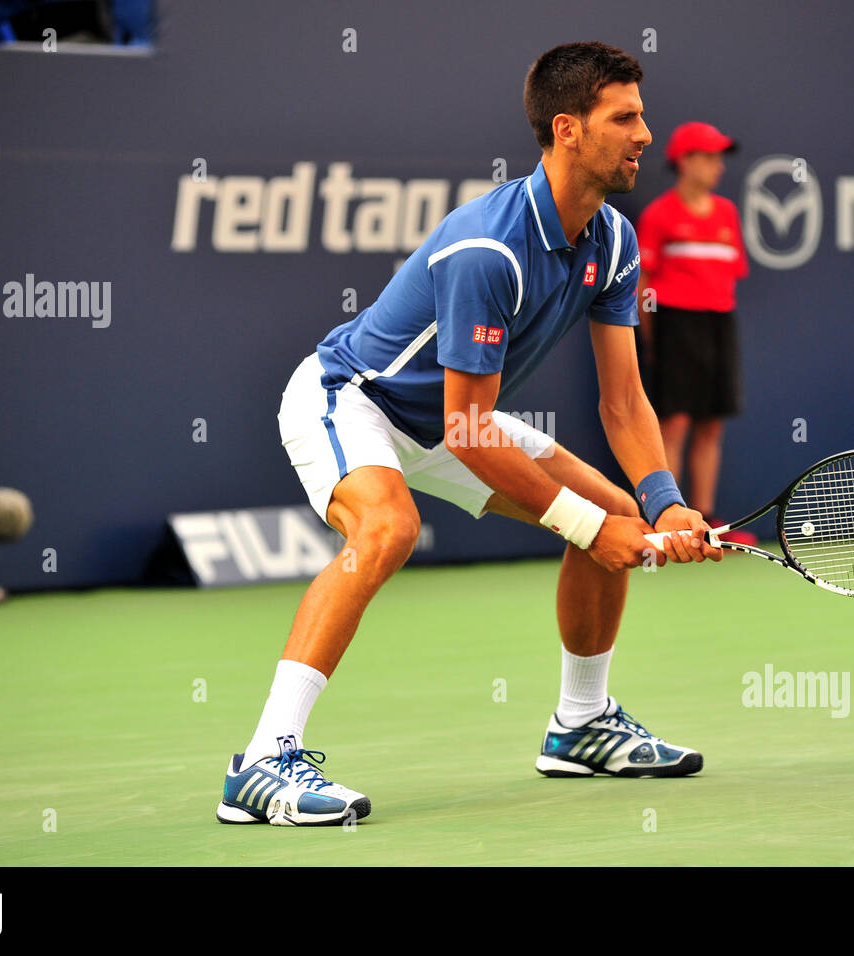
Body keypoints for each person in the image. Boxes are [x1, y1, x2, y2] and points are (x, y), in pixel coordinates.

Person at [216, 41, 722, 829]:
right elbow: (467, 427)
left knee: (611, 504)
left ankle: (581, 724)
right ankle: (261, 761)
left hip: (454, 420)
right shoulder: (489, 248)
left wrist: (661, 506)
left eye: (642, 116)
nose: (645, 135)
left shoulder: (615, 242)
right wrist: (594, 528)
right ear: (568, 130)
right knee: (388, 527)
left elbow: (624, 402)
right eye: (624, 118)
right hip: (354, 399)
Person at [634, 122, 756, 544]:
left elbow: (730, 276)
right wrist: (653, 338)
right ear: (684, 162)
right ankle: (667, 524)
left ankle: (708, 525)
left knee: (711, 426)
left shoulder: (727, 214)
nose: (718, 166)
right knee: (675, 425)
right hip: (674, 326)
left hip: (719, 323)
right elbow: (643, 284)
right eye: (708, 156)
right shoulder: (659, 215)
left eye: (720, 157)